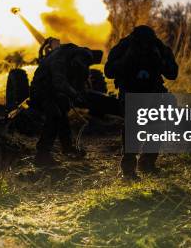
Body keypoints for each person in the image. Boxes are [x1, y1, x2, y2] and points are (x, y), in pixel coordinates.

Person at [105, 25, 178, 180]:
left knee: (156, 129)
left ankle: (145, 164)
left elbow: (172, 73)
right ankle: (129, 170)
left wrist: (159, 62)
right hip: (131, 92)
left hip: (153, 92)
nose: (144, 46)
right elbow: (109, 71)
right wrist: (127, 61)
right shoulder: (125, 46)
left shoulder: (158, 47)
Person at [29, 43, 102, 167]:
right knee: (54, 115)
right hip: (42, 89)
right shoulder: (60, 57)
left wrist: (83, 94)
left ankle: (67, 147)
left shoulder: (79, 60)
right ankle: (42, 155)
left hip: (56, 92)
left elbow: (81, 83)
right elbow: (59, 81)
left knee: (62, 114)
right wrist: (74, 94)